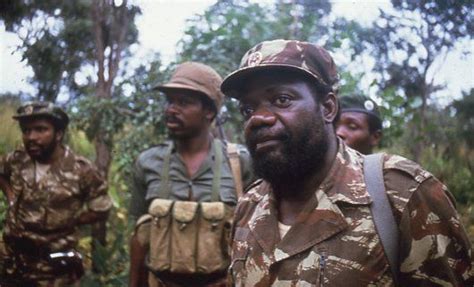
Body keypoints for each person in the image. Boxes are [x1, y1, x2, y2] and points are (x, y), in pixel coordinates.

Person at [220, 39, 473, 286]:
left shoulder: (401, 194)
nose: (258, 118)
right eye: (248, 109)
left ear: (328, 108)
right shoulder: (248, 207)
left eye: (282, 99)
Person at [128, 62, 254, 287]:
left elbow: (257, 237)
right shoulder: (148, 162)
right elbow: (138, 235)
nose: (171, 109)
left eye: (183, 102)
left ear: (209, 111)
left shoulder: (240, 162)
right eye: (170, 101)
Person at [0, 101, 112, 286]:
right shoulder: (18, 159)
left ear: (59, 134)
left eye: (40, 129)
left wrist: (70, 219)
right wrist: (11, 198)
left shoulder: (80, 170)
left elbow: (101, 208)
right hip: (13, 266)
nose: (31, 137)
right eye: (26, 130)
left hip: (54, 273)